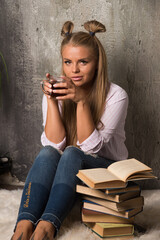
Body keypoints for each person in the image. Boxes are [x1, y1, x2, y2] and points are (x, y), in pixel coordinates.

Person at [11, 20, 128, 240]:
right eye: (68, 62)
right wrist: (52, 101)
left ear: (97, 63)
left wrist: (82, 102)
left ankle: (47, 226)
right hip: (71, 175)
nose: (74, 70)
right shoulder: (58, 90)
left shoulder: (116, 95)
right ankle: (23, 226)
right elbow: (53, 146)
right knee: (47, 153)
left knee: (74, 151)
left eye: (83, 62)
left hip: (107, 174)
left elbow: (91, 147)